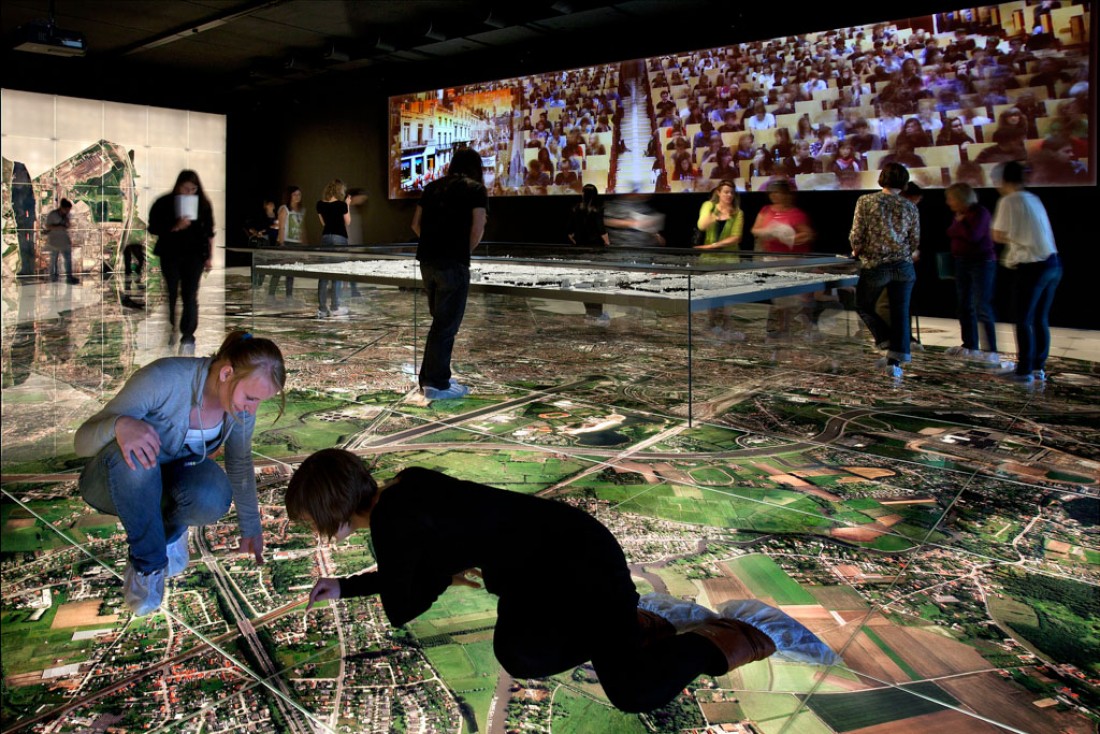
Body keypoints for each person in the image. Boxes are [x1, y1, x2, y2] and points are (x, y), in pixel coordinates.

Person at [287, 449, 835, 714]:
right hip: (558, 568)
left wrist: (432, 576)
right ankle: (647, 622)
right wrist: (348, 585)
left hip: (578, 574)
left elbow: (404, 604)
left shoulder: (391, 523)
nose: (314, 530)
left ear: (328, 509)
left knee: (632, 691)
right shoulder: (407, 489)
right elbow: (421, 567)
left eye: (311, 520)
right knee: (520, 653)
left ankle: (735, 632)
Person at [75, 331, 285, 615]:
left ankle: (172, 533)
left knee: (213, 493)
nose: (252, 409)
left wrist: (252, 527)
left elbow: (239, 461)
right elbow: (82, 442)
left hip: (167, 485)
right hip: (114, 483)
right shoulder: (163, 379)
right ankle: (147, 566)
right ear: (226, 373)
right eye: (250, 398)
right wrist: (120, 426)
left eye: (259, 401)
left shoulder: (239, 406)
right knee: (137, 457)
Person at [410, 148, 488, 401]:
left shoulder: (432, 188)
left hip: (427, 261)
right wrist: (459, 250)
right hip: (453, 263)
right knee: (446, 325)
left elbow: (415, 224)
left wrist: (435, 243)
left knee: (439, 322)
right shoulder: (475, 189)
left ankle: (433, 378)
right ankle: (436, 384)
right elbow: (478, 227)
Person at [991, 161, 1061, 384]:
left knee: (1023, 319)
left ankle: (1023, 371)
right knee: (1040, 318)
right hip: (1052, 263)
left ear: (1002, 180)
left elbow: (998, 234)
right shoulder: (1033, 198)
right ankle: (1037, 367)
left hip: (1032, 267)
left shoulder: (1009, 200)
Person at [850, 163, 920, 378]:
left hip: (876, 264)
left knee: (862, 305)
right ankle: (895, 359)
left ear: (882, 178)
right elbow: (914, 239)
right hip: (904, 266)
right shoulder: (910, 206)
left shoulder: (866, 201)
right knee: (900, 314)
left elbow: (857, 234)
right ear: (904, 182)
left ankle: (886, 341)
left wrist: (856, 250)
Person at [148, 170, 215, 353]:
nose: (189, 193)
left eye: (193, 189)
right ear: (178, 186)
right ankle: (171, 326)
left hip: (194, 255)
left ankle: (188, 333)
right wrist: (175, 226)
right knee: (171, 292)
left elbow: (209, 232)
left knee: (190, 294)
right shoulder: (164, 203)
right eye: (186, 189)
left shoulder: (203, 205)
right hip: (171, 253)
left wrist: (209, 257)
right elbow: (153, 227)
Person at [751, 179, 816, 340]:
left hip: (790, 260)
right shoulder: (766, 210)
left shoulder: (796, 214)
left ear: (786, 195)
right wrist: (768, 232)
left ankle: (791, 329)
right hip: (771, 259)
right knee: (779, 298)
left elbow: (807, 235)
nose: (774, 196)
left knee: (789, 298)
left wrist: (787, 236)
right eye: (772, 192)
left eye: (778, 192)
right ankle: (779, 329)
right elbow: (755, 229)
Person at [944, 183, 1000, 364]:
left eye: (951, 198)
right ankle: (969, 345)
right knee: (964, 305)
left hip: (981, 263)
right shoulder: (959, 215)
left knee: (981, 306)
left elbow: (974, 236)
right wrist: (959, 226)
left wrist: (960, 226)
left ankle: (990, 350)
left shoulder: (980, 213)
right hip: (961, 262)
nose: (948, 202)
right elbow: (950, 231)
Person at [694, 180, 745, 340]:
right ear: (718, 192)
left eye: (731, 192)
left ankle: (727, 325)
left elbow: (736, 237)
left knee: (727, 294)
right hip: (709, 260)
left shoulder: (737, 212)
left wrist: (713, 246)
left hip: (729, 259)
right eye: (726, 192)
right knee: (711, 294)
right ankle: (711, 323)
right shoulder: (708, 206)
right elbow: (702, 225)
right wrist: (716, 213)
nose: (729, 195)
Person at [567, 184, 611, 325]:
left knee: (584, 281)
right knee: (595, 281)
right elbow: (600, 228)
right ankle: (597, 314)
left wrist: (577, 240)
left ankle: (590, 314)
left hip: (580, 249)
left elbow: (570, 231)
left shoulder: (575, 208)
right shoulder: (597, 209)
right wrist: (607, 242)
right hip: (595, 249)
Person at [316, 179, 351, 318]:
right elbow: (347, 222)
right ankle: (335, 307)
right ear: (340, 190)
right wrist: (347, 205)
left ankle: (322, 309)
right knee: (336, 274)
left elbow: (323, 223)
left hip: (325, 238)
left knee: (323, 275)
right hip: (339, 238)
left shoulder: (320, 205)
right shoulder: (342, 205)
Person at [44, 199, 79, 285]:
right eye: (66, 209)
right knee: (54, 259)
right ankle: (53, 277)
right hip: (54, 240)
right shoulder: (53, 214)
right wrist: (58, 227)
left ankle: (69, 277)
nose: (67, 211)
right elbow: (48, 226)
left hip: (63, 239)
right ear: (62, 208)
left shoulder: (66, 216)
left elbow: (68, 226)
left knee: (67, 259)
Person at [12, 162, 37, 277]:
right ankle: (28, 268)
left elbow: (27, 201)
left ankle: (28, 268)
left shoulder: (21, 185)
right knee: (26, 243)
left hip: (24, 219)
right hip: (24, 218)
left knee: (25, 243)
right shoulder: (24, 182)